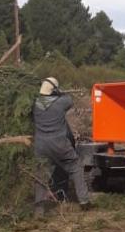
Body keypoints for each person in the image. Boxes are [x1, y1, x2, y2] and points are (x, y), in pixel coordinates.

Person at [33, 76, 89, 212]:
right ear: (54, 91)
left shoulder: (34, 104)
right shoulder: (61, 103)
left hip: (41, 145)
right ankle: (84, 201)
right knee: (76, 166)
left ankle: (39, 210)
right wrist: (60, 92)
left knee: (41, 175)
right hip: (59, 143)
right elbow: (69, 100)